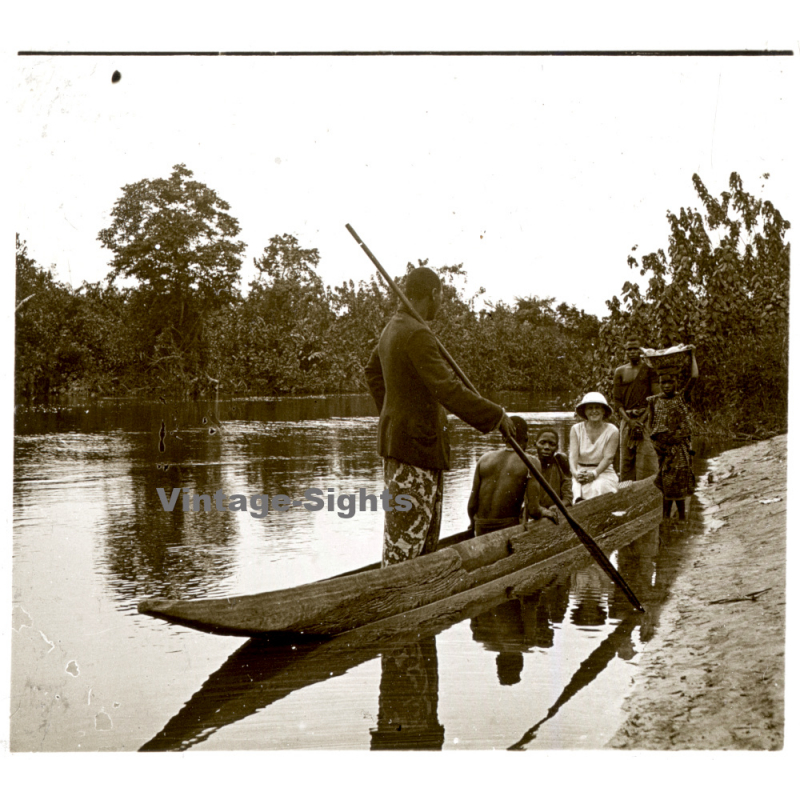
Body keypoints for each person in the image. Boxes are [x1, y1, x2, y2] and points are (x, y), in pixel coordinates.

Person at [365, 267, 516, 566]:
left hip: (411, 447)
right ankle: (401, 606)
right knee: (408, 547)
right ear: (432, 294)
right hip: (415, 452)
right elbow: (447, 389)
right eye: (441, 297)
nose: (441, 304)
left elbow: (372, 373)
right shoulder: (415, 332)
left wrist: (394, 415)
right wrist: (496, 415)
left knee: (417, 542)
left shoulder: (393, 327)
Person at [467, 416, 558, 536]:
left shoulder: (484, 459)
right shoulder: (531, 461)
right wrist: (547, 512)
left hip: (481, 527)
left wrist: (472, 524)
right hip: (507, 528)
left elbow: (472, 505)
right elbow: (534, 509)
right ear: (527, 438)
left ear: (503, 437)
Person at [645, 348, 699, 521]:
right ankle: (666, 518)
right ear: (659, 384)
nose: (667, 385)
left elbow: (694, 377)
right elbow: (651, 425)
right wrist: (658, 446)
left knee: (681, 479)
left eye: (670, 382)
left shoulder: (681, 397)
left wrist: (692, 355)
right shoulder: (654, 401)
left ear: (675, 382)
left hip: (680, 447)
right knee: (666, 482)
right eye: (663, 383)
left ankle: (682, 517)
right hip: (663, 448)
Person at [613, 339, 659, 482]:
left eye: (635, 349)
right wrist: (629, 421)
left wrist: (641, 420)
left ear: (641, 351)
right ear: (625, 352)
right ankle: (626, 490)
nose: (632, 352)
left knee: (647, 457)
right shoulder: (619, 371)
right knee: (626, 458)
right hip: (627, 420)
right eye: (629, 349)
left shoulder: (649, 370)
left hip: (645, 419)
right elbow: (617, 402)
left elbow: (654, 398)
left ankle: (647, 489)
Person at [569, 392, 620, 501]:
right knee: (578, 493)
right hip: (581, 472)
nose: (594, 411)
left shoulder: (612, 430)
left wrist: (594, 473)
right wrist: (575, 473)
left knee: (599, 487)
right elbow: (573, 455)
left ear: (603, 410)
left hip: (603, 472)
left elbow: (608, 458)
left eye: (597, 407)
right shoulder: (576, 429)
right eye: (590, 408)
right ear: (585, 412)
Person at [533, 428, 573, 508]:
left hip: (556, 510)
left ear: (557, 447)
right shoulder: (529, 463)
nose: (546, 447)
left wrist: (558, 506)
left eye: (552, 444)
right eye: (542, 443)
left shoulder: (561, 463)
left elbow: (568, 497)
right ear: (535, 444)